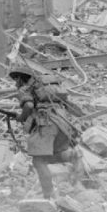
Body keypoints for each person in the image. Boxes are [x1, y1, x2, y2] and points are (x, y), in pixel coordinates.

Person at [9, 64, 82, 199]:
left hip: (47, 124)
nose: (15, 84)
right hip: (63, 123)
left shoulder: (25, 90)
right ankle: (73, 157)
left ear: (19, 79)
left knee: (38, 161)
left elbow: (29, 105)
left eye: (15, 80)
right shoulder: (45, 91)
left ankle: (48, 196)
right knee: (55, 153)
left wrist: (21, 117)